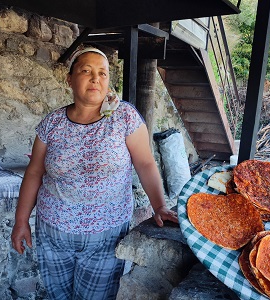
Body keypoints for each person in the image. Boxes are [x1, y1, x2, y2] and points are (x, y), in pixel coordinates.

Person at [11, 46, 179, 299]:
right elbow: (34, 172)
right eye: (86, 71)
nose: (95, 78)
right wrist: (21, 221)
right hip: (53, 231)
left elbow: (145, 164)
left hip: (107, 234)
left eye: (102, 73)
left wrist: (159, 206)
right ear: (70, 79)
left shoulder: (125, 118)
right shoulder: (52, 124)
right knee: (58, 296)